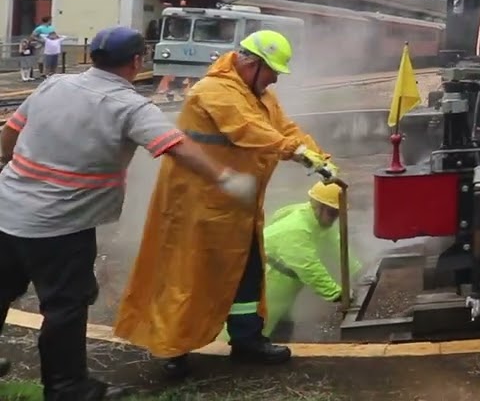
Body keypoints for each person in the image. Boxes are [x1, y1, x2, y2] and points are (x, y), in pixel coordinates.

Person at [0, 26, 259, 401]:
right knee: (65, 306)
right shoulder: (130, 105)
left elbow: (10, 131)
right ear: (138, 61)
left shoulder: (54, 84)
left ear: (94, 56)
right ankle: (68, 388)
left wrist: (7, 162)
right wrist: (224, 176)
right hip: (60, 226)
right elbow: (175, 146)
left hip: (7, 209)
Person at [112, 30, 339, 381]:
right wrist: (297, 153)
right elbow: (247, 130)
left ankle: (247, 340)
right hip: (195, 207)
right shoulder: (213, 91)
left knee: (246, 274)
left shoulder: (259, 93)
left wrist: (320, 155)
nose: (276, 78)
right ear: (251, 64)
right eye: (273, 70)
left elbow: (285, 129)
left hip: (235, 207)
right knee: (186, 277)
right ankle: (172, 349)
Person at [254, 181, 361, 340]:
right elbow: (308, 267)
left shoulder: (314, 219)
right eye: (332, 213)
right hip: (269, 279)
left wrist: (357, 270)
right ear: (318, 206)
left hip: (283, 280)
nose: (334, 219)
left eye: (337, 214)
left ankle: (278, 348)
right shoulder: (297, 229)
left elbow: (337, 244)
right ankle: (220, 354)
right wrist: (336, 294)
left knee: (281, 323)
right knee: (259, 323)